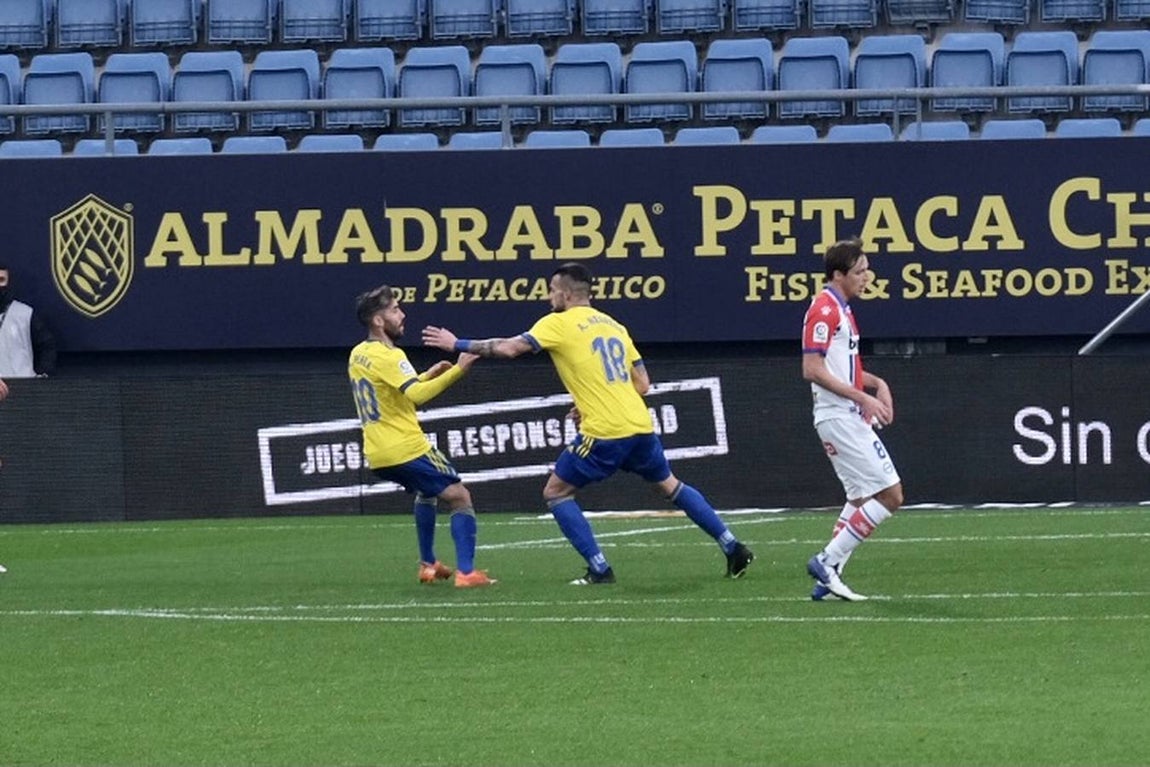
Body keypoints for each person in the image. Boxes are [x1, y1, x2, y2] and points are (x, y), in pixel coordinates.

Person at [422, 262, 754, 585]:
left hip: (605, 431)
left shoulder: (559, 322)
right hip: (639, 424)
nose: (549, 297)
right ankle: (732, 545)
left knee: (556, 492)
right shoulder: (614, 325)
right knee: (669, 485)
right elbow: (642, 383)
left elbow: (509, 349)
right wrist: (590, 400)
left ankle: (599, 569)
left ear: (566, 295)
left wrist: (458, 345)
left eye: (552, 291)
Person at [348, 285, 495, 588]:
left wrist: (426, 375)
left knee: (427, 493)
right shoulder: (391, 354)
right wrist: (458, 370)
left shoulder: (358, 354)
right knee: (460, 497)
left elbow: (395, 394)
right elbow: (416, 395)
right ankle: (467, 573)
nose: (402, 315)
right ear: (378, 320)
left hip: (377, 453)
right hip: (406, 447)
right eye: (394, 310)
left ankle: (428, 565)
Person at [801, 237, 903, 602]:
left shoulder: (842, 310)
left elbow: (843, 369)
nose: (867, 277)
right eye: (860, 271)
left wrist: (877, 384)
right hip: (839, 417)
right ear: (838, 274)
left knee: (860, 498)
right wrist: (862, 397)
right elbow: (811, 368)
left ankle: (828, 579)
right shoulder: (824, 310)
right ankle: (827, 561)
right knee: (891, 495)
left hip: (844, 414)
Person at [0, 262, 56, 379]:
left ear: (9, 283)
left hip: (23, 387)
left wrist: (43, 374)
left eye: (1, 280)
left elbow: (47, 344)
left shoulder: (25, 313)